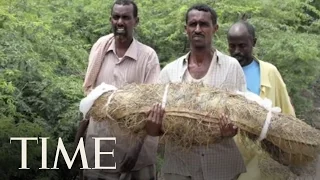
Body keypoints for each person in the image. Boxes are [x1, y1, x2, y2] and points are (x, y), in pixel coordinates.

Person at [146, 4, 247, 180]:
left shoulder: (232, 67)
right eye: (193, 24)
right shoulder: (169, 72)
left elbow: (243, 116)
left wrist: (231, 130)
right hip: (179, 167)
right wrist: (153, 125)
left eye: (204, 24)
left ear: (215, 29)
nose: (198, 29)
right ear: (186, 29)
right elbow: (155, 130)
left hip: (221, 166)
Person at [81, 0, 161, 179]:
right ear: (111, 20)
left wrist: (135, 152)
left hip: (135, 158)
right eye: (116, 17)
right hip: (100, 151)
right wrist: (79, 143)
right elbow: (90, 100)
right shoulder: (100, 49)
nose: (120, 22)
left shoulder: (148, 57)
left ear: (136, 21)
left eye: (126, 17)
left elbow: (150, 109)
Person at [227, 21, 299, 179]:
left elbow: (287, 115)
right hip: (231, 158)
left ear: (254, 42)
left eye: (242, 45)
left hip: (265, 157)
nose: (236, 51)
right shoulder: (224, 72)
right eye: (232, 46)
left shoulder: (269, 72)